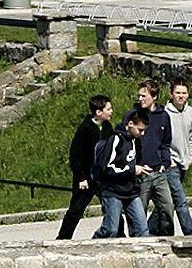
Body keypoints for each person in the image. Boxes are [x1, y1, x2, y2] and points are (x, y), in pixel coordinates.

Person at [57, 95, 114, 239]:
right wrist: (81, 177)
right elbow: (76, 155)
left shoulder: (107, 127)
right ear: (98, 112)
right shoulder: (85, 129)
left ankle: (117, 234)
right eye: (108, 109)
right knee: (76, 209)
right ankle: (63, 238)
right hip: (87, 177)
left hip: (103, 176)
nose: (111, 111)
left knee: (111, 206)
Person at [94, 109, 151, 238]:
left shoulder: (136, 141)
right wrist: (132, 170)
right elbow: (107, 167)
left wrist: (140, 169)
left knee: (142, 229)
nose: (143, 133)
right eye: (140, 130)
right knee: (110, 230)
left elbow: (133, 162)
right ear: (130, 124)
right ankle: (94, 245)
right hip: (113, 191)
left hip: (131, 191)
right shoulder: (115, 139)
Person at [134, 80, 178, 235]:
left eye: (143, 96)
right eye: (139, 96)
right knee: (139, 212)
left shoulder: (163, 116)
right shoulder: (134, 115)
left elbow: (166, 142)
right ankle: (138, 240)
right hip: (142, 172)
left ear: (154, 96)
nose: (140, 99)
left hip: (158, 171)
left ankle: (167, 238)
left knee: (167, 206)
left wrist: (165, 162)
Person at [164, 80, 192, 237]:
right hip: (171, 162)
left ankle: (154, 229)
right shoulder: (165, 112)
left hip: (184, 162)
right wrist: (168, 158)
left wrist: (191, 156)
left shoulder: (190, 111)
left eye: (184, 93)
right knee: (180, 199)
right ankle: (190, 232)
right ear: (171, 94)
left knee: (168, 201)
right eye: (178, 93)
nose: (181, 96)